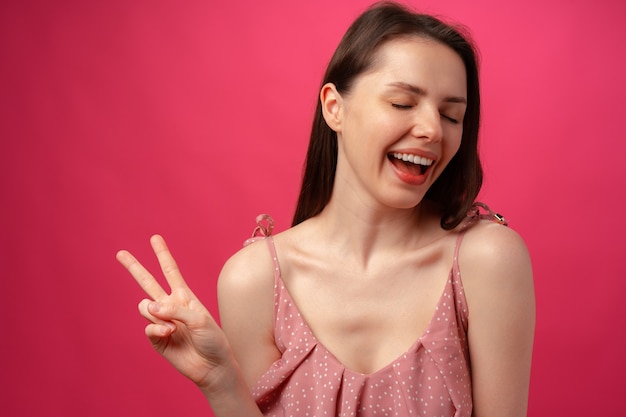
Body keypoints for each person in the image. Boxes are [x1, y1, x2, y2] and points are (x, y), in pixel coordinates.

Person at [116, 2, 535, 416]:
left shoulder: (487, 261)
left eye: (451, 115)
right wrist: (220, 381)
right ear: (335, 107)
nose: (431, 130)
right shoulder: (255, 281)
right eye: (403, 104)